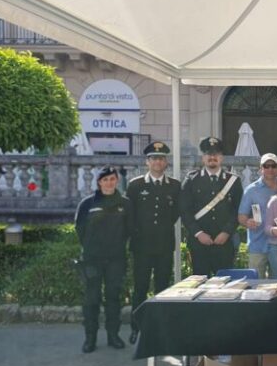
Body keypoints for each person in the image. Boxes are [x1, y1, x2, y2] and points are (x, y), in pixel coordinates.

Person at [126, 141, 181, 345]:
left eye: (161, 158)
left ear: (165, 162)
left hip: (164, 245)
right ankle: (137, 328)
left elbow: (175, 213)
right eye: (153, 158)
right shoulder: (135, 185)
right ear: (147, 161)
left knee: (162, 287)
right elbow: (129, 215)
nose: (157, 161)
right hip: (141, 246)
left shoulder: (174, 186)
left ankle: (159, 328)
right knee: (140, 288)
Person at [74, 166, 133, 353]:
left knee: (113, 298)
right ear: (99, 182)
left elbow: (130, 229)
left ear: (117, 181)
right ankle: (90, 338)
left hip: (116, 258)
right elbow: (79, 229)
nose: (109, 182)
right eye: (105, 179)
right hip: (92, 259)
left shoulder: (125, 203)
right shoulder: (87, 203)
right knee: (91, 299)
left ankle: (113, 336)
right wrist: (92, 247)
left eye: (112, 179)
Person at [180, 137, 243, 277]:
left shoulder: (233, 181)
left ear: (221, 158)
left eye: (216, 154)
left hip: (224, 242)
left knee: (225, 285)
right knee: (200, 283)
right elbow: (185, 211)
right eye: (209, 154)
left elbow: (238, 210)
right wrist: (198, 233)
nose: (212, 157)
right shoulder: (191, 180)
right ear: (203, 158)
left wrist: (226, 232)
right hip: (199, 242)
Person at [238, 152, 277, 278]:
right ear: (260, 169)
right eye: (266, 166)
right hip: (257, 244)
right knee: (257, 286)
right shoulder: (251, 190)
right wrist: (247, 222)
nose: (270, 169)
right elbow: (241, 216)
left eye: (273, 166)